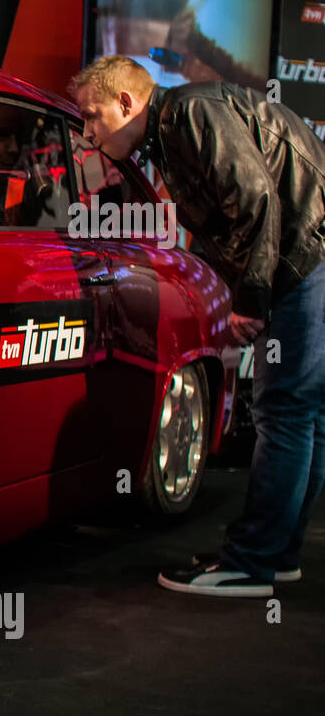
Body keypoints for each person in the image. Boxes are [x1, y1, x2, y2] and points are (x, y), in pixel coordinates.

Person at [69, 55, 325, 597]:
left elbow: (256, 201)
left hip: (307, 255)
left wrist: (250, 299)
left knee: (285, 411)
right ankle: (276, 554)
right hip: (309, 252)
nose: (88, 133)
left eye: (93, 117)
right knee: (304, 415)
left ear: (126, 103)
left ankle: (252, 563)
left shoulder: (189, 114)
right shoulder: (172, 129)